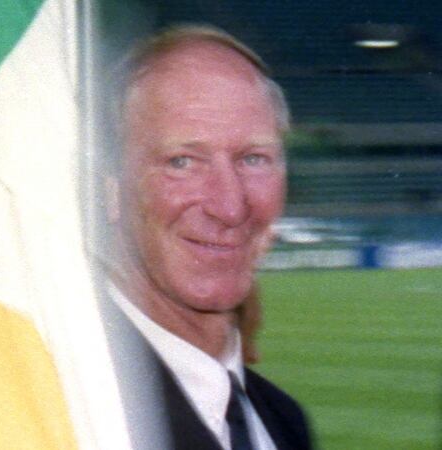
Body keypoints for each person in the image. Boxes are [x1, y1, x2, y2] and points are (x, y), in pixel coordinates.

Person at [101, 25, 313, 450]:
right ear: (110, 190)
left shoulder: (285, 422)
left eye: (254, 159)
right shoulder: (69, 413)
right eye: (182, 161)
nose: (230, 206)